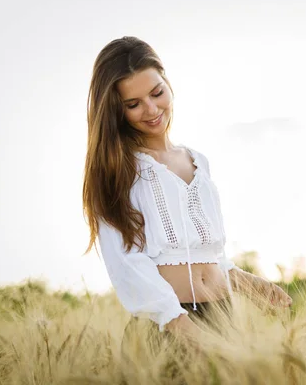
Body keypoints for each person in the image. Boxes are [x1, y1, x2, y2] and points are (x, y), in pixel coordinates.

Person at [81, 36, 292, 356]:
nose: (151, 109)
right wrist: (181, 325)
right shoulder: (118, 171)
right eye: (133, 104)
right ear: (115, 111)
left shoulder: (198, 161)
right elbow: (128, 263)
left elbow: (210, 256)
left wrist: (251, 285)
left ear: (168, 84)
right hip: (169, 329)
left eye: (157, 93)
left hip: (222, 317)